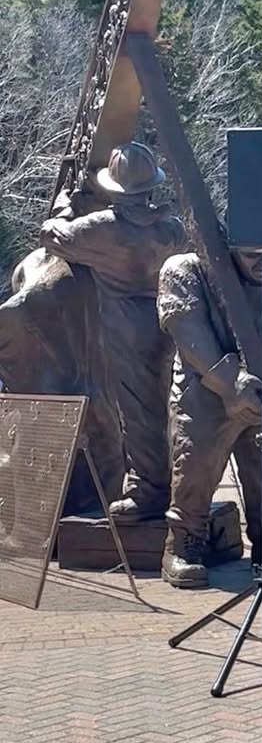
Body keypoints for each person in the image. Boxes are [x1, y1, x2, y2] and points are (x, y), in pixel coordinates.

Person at [156, 244, 262, 589]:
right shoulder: (186, 271)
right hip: (204, 395)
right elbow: (188, 332)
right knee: (195, 465)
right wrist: (230, 381)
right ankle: (184, 545)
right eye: (252, 254)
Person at [40, 142, 185, 521]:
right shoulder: (170, 228)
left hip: (123, 325)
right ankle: (168, 485)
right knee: (164, 407)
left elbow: (52, 236)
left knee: (136, 410)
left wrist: (64, 205)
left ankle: (146, 492)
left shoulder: (102, 228)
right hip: (164, 322)